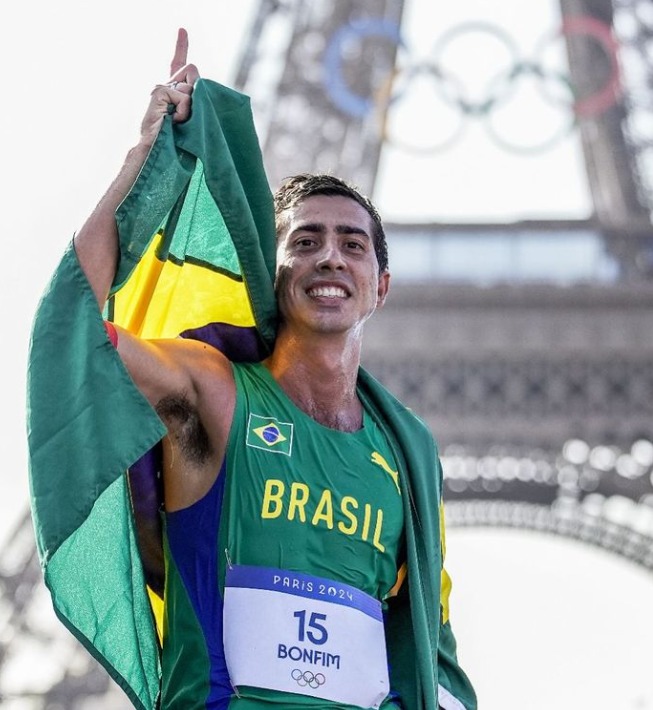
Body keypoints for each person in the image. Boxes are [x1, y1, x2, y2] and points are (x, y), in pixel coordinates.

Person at [43, 28, 476, 710]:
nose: (329, 257)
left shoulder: (406, 449)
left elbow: (425, 640)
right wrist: (144, 163)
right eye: (304, 242)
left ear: (380, 286)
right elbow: (78, 327)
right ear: (273, 279)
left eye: (351, 244)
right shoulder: (213, 392)